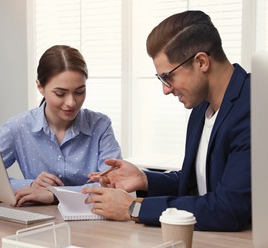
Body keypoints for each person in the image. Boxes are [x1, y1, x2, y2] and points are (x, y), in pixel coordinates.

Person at [83, 10, 251, 231]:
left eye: (168, 76)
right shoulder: (201, 108)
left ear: (201, 62)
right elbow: (197, 184)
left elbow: (228, 208)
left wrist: (135, 208)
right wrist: (144, 179)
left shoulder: (253, 107)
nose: (165, 89)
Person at [0, 45, 122, 206]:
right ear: (40, 87)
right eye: (60, 93)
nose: (71, 103)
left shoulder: (100, 125)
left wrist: (55, 194)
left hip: (90, 222)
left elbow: (112, 184)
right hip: (35, 220)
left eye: (79, 91)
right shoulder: (18, 127)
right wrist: (30, 185)